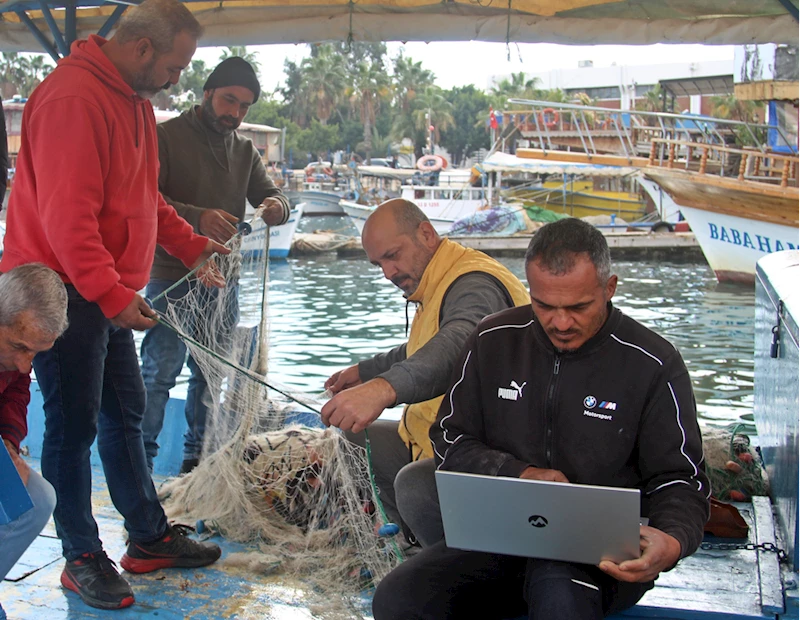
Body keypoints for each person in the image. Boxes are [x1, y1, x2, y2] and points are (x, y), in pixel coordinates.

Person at [0, 0, 230, 610]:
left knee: (124, 412)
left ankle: (148, 536)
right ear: (143, 48)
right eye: (176, 65)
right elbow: (68, 219)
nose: (177, 79)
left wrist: (193, 245)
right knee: (72, 426)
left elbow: (143, 197)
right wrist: (110, 293)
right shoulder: (74, 99)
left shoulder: (134, 101)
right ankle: (80, 555)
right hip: (59, 290)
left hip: (105, 290)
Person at [372, 218, 711, 620]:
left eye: (578, 307)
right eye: (545, 306)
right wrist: (518, 473)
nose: (561, 323)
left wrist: (672, 541)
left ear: (609, 288)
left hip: (601, 554)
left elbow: (680, 478)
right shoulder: (492, 339)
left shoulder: (653, 362)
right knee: (396, 599)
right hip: (504, 535)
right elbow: (450, 438)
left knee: (559, 598)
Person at [321, 199, 529, 540]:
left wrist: (383, 389)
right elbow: (425, 346)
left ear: (427, 234)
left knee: (414, 485)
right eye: (379, 264)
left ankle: (445, 562)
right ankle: (406, 540)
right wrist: (366, 371)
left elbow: (460, 344)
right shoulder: (435, 280)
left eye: (393, 255)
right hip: (431, 439)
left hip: (485, 457)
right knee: (355, 438)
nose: (388, 273)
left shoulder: (474, 283)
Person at [140, 57, 290, 474]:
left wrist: (276, 207)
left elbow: (275, 196)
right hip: (171, 278)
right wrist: (197, 217)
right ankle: (141, 466)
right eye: (229, 100)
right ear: (207, 93)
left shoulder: (244, 150)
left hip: (224, 282)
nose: (235, 113)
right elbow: (143, 198)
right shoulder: (165, 137)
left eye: (244, 107)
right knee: (158, 375)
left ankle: (198, 466)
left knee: (211, 376)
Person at [0, 265, 68, 620]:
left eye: (36, 354)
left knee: (38, 498)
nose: (27, 366)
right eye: (19, 347)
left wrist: (9, 445)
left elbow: (16, 393)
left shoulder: (14, 359)